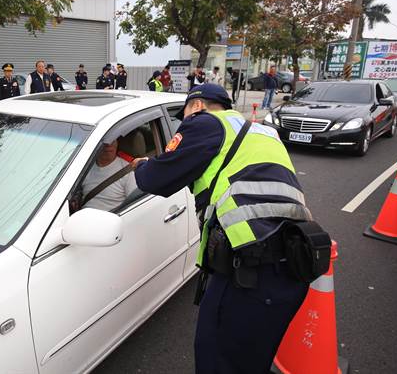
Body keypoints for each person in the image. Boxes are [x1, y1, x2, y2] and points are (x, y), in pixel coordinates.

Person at [130, 84, 311, 373]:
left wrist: (142, 164)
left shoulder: (205, 123)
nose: (183, 121)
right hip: (295, 259)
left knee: (216, 360)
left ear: (197, 106)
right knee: (251, 361)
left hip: (250, 270)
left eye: (184, 114)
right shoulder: (263, 132)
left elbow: (155, 179)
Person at [82, 140, 138, 211]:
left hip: (112, 216)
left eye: (112, 140)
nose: (109, 145)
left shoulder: (127, 170)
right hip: (83, 215)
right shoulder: (85, 168)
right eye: (105, 142)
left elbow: (134, 205)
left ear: (117, 143)